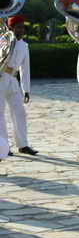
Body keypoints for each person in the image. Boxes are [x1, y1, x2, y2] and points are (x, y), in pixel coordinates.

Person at [0, 15, 38, 156]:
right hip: (1, 78)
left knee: (20, 113)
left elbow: (25, 69)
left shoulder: (24, 45)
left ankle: (23, 145)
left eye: (23, 27)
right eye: (18, 27)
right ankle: (4, 147)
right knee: (0, 114)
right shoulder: (3, 40)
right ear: (11, 28)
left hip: (13, 80)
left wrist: (26, 90)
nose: (21, 29)